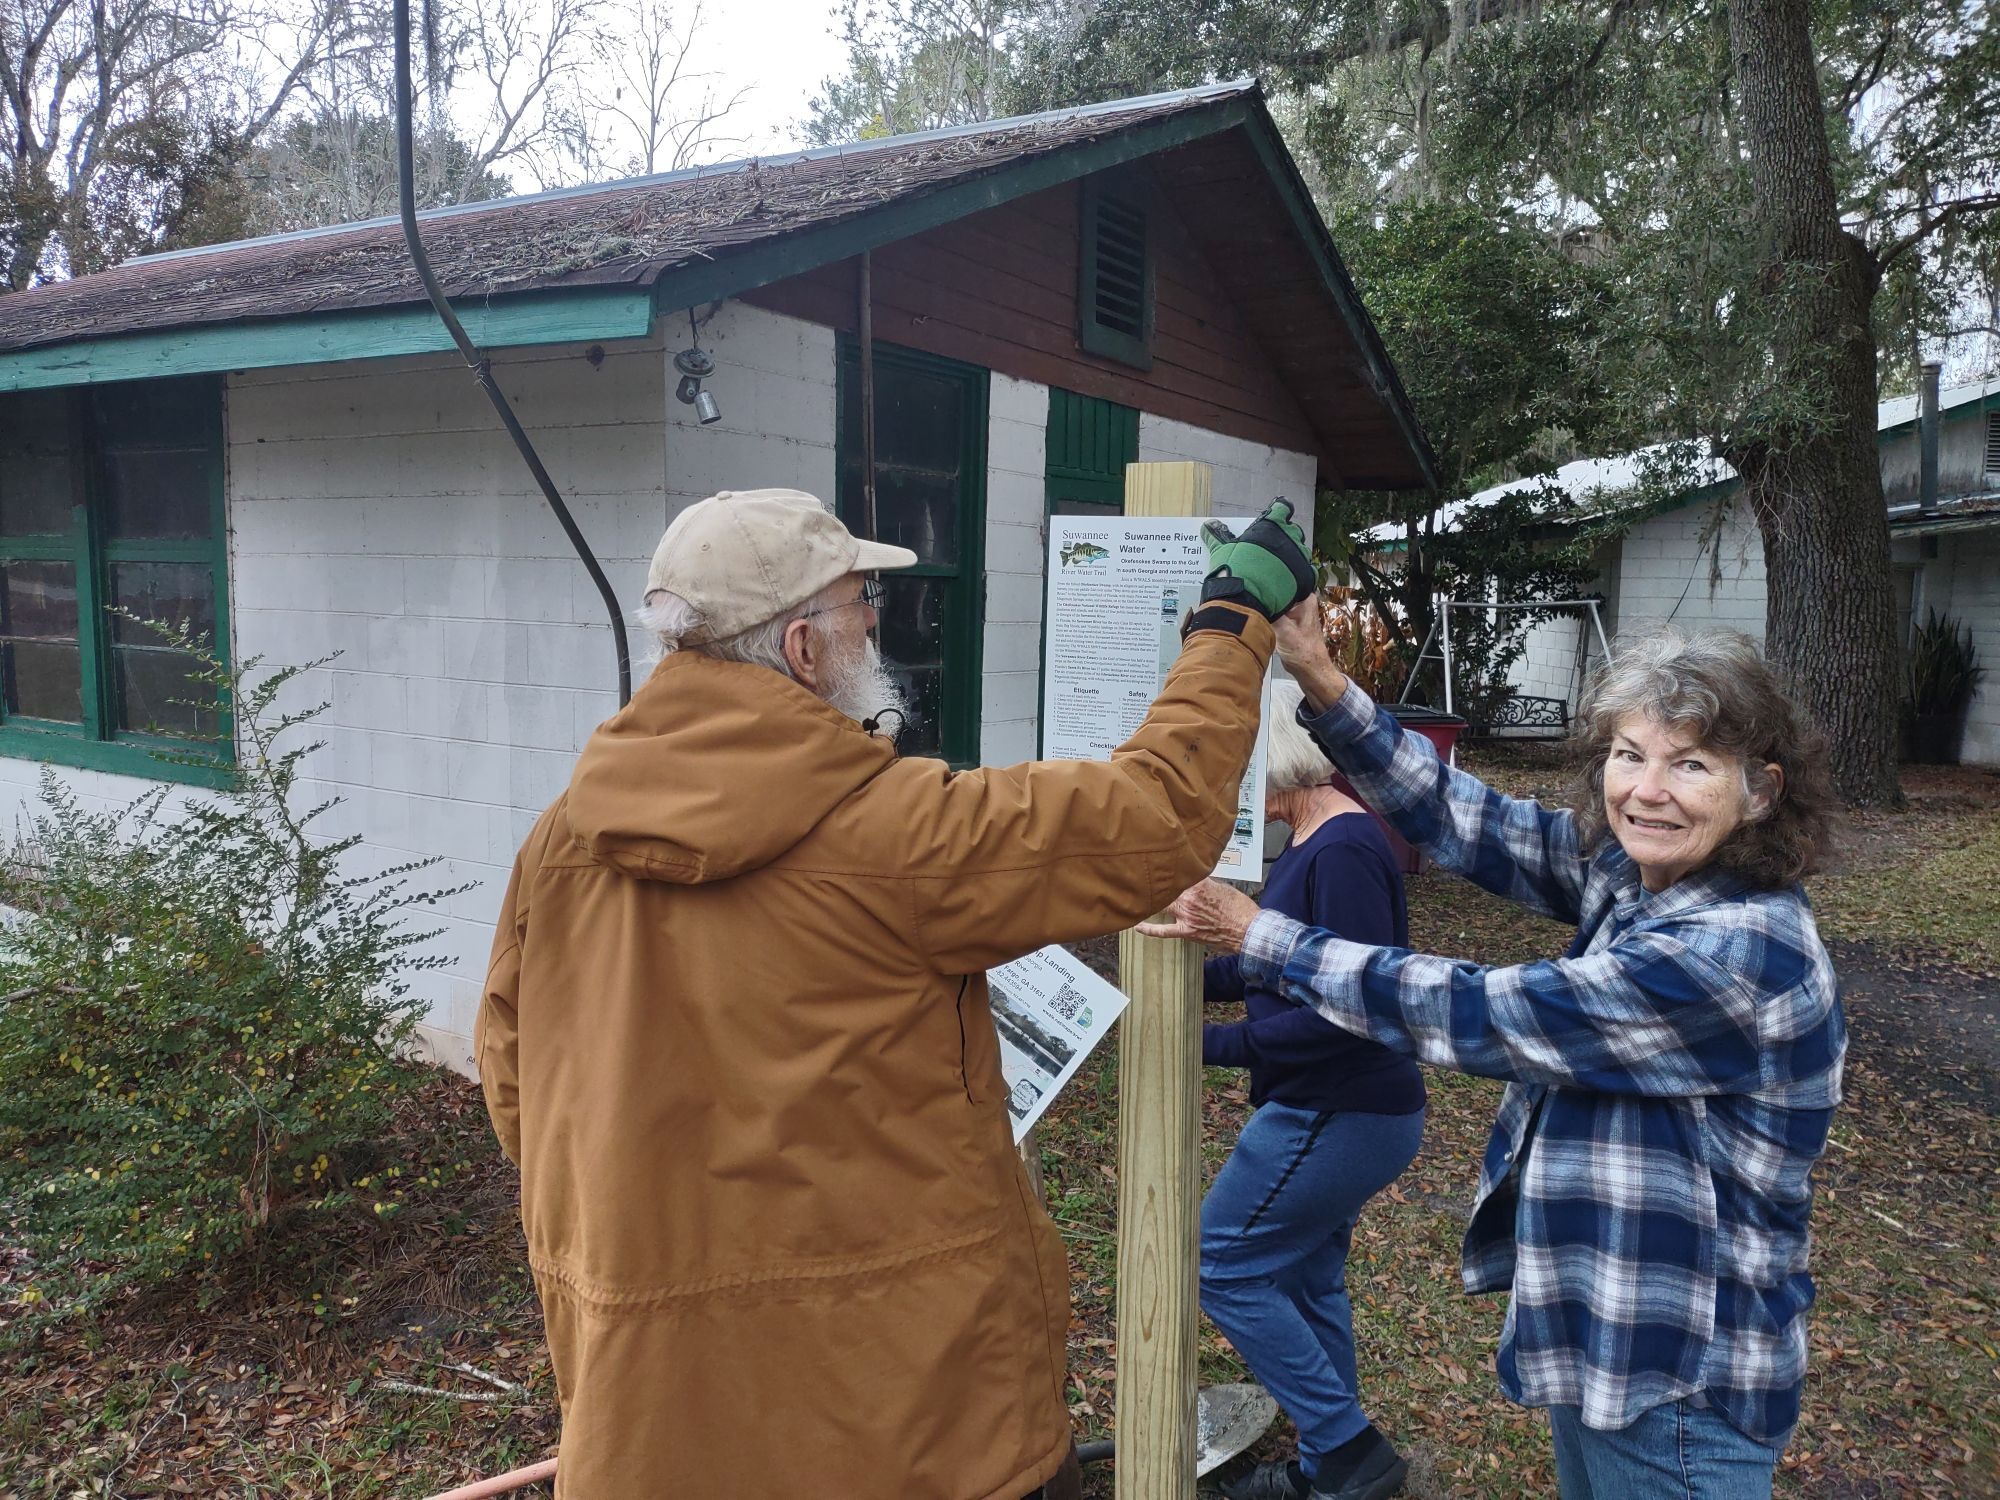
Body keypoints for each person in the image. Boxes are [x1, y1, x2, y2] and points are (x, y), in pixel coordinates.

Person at [475, 487, 1316, 1499]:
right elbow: (1154, 818)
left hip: (662, 1410)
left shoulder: (560, 839)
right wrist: (1229, 624)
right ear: (799, 648)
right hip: (911, 1416)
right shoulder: (893, 835)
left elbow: (511, 1074)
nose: (874, 617)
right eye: (857, 597)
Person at [1143, 610, 1845, 1500]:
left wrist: (1264, 937)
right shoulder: (1638, 876)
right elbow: (1464, 816)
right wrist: (1318, 673)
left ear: (1762, 792)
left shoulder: (1738, 955)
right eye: (1629, 755)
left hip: (1684, 1383)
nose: (1647, 789)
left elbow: (1489, 1012)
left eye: (1691, 763)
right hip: (1609, 1342)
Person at [1201, 678, 1424, 1500]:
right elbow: (1280, 958)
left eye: (1235, 760)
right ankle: (1329, 1472)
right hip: (1338, 1107)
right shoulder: (1308, 840)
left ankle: (1346, 1450)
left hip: (1341, 1108)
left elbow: (1347, 1013)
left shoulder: (1346, 850)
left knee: (1219, 1261)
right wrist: (1189, 973)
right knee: (1303, 1277)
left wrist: (1213, 1045)